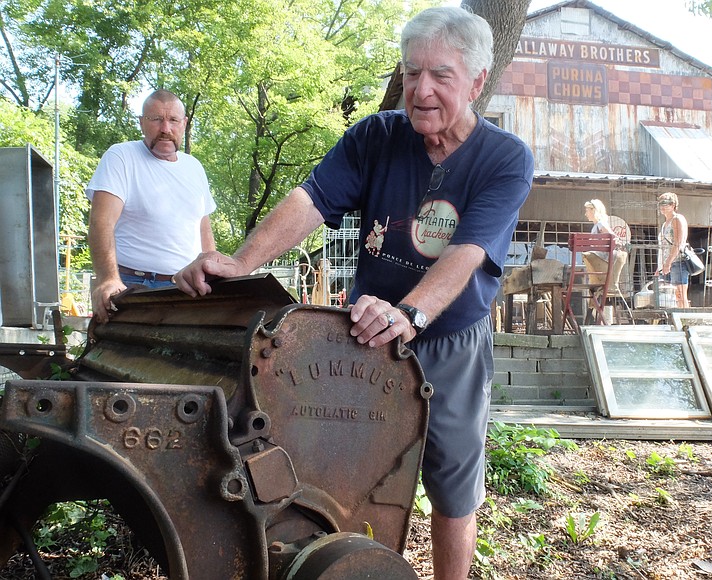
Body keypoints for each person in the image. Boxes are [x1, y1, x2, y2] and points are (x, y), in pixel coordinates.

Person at [174, 6, 534, 578]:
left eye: (440, 75)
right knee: (340, 463)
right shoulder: (375, 136)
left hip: (449, 341)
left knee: (452, 483)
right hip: (365, 333)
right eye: (412, 72)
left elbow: (468, 252)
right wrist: (240, 262)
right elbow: (311, 200)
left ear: (476, 80)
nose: (421, 90)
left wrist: (411, 311)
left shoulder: (505, 158)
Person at [86, 89, 217, 323]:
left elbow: (202, 227)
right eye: (156, 119)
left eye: (173, 120)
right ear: (141, 123)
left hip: (184, 290)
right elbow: (101, 222)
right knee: (120, 357)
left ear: (184, 123)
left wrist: (211, 273)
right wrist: (107, 279)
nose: (165, 129)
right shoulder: (121, 157)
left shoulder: (194, 167)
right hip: (129, 287)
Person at [581, 199, 628, 294]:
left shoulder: (600, 224)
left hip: (601, 256)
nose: (586, 214)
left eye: (587, 211)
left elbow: (612, 236)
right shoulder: (597, 225)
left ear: (593, 211)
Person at [656, 191, 690, 308]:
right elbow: (663, 247)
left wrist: (668, 262)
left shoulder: (677, 219)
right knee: (670, 297)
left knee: (680, 294)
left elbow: (678, 242)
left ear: (673, 205)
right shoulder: (665, 224)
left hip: (678, 262)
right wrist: (660, 266)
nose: (663, 207)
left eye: (666, 204)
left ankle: (686, 320)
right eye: (661, 204)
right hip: (667, 264)